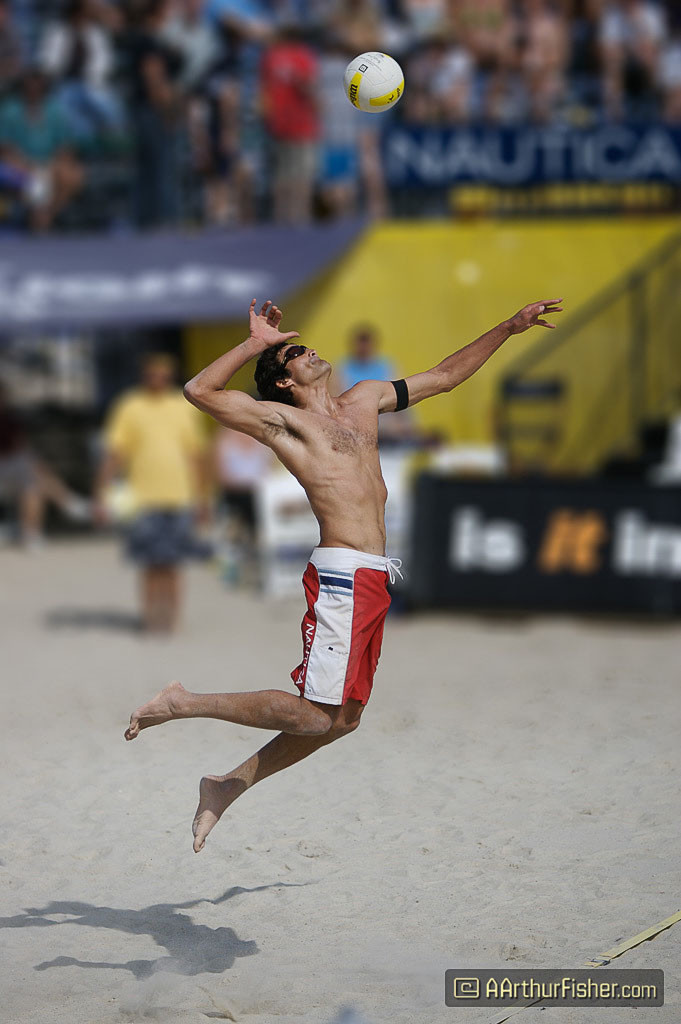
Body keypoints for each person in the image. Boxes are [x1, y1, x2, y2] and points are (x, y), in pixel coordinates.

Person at [124, 294, 563, 852]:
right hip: (342, 576)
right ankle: (181, 703)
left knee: (343, 720)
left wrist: (510, 326)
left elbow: (446, 377)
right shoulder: (285, 422)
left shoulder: (364, 399)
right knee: (314, 715)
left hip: (374, 575)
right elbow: (199, 392)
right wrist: (256, 344)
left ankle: (227, 786)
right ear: (283, 380)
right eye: (297, 353)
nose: (309, 352)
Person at [94, 353, 209, 633]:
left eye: (163, 373)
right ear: (144, 374)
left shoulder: (184, 405)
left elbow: (197, 455)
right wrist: (100, 492)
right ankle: (150, 618)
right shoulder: (130, 405)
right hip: (143, 498)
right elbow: (115, 453)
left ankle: (170, 619)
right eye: (153, 373)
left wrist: (204, 497)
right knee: (149, 563)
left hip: (180, 497)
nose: (158, 378)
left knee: (173, 563)